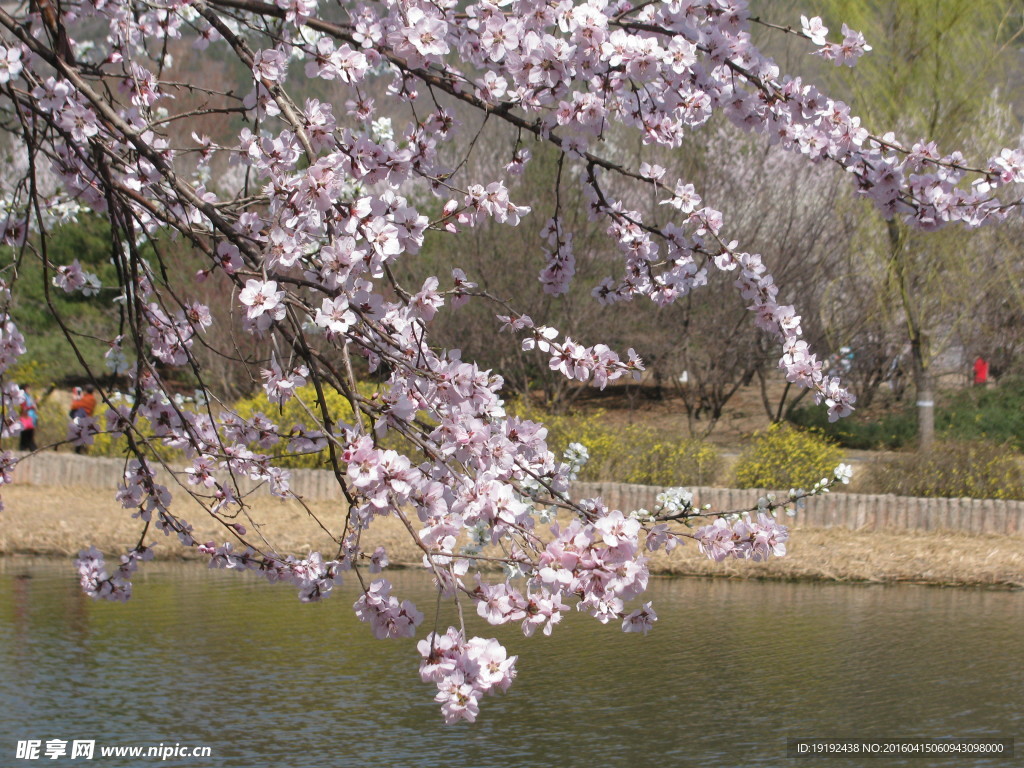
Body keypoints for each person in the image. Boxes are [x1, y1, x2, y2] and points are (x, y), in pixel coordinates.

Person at [18, 385, 38, 452]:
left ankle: (29, 447)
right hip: (26, 417)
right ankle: (28, 447)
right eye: (27, 388)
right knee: (26, 433)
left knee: (29, 433)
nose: (29, 389)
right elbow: (24, 407)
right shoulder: (23, 396)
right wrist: (32, 407)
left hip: (31, 417)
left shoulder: (28, 396)